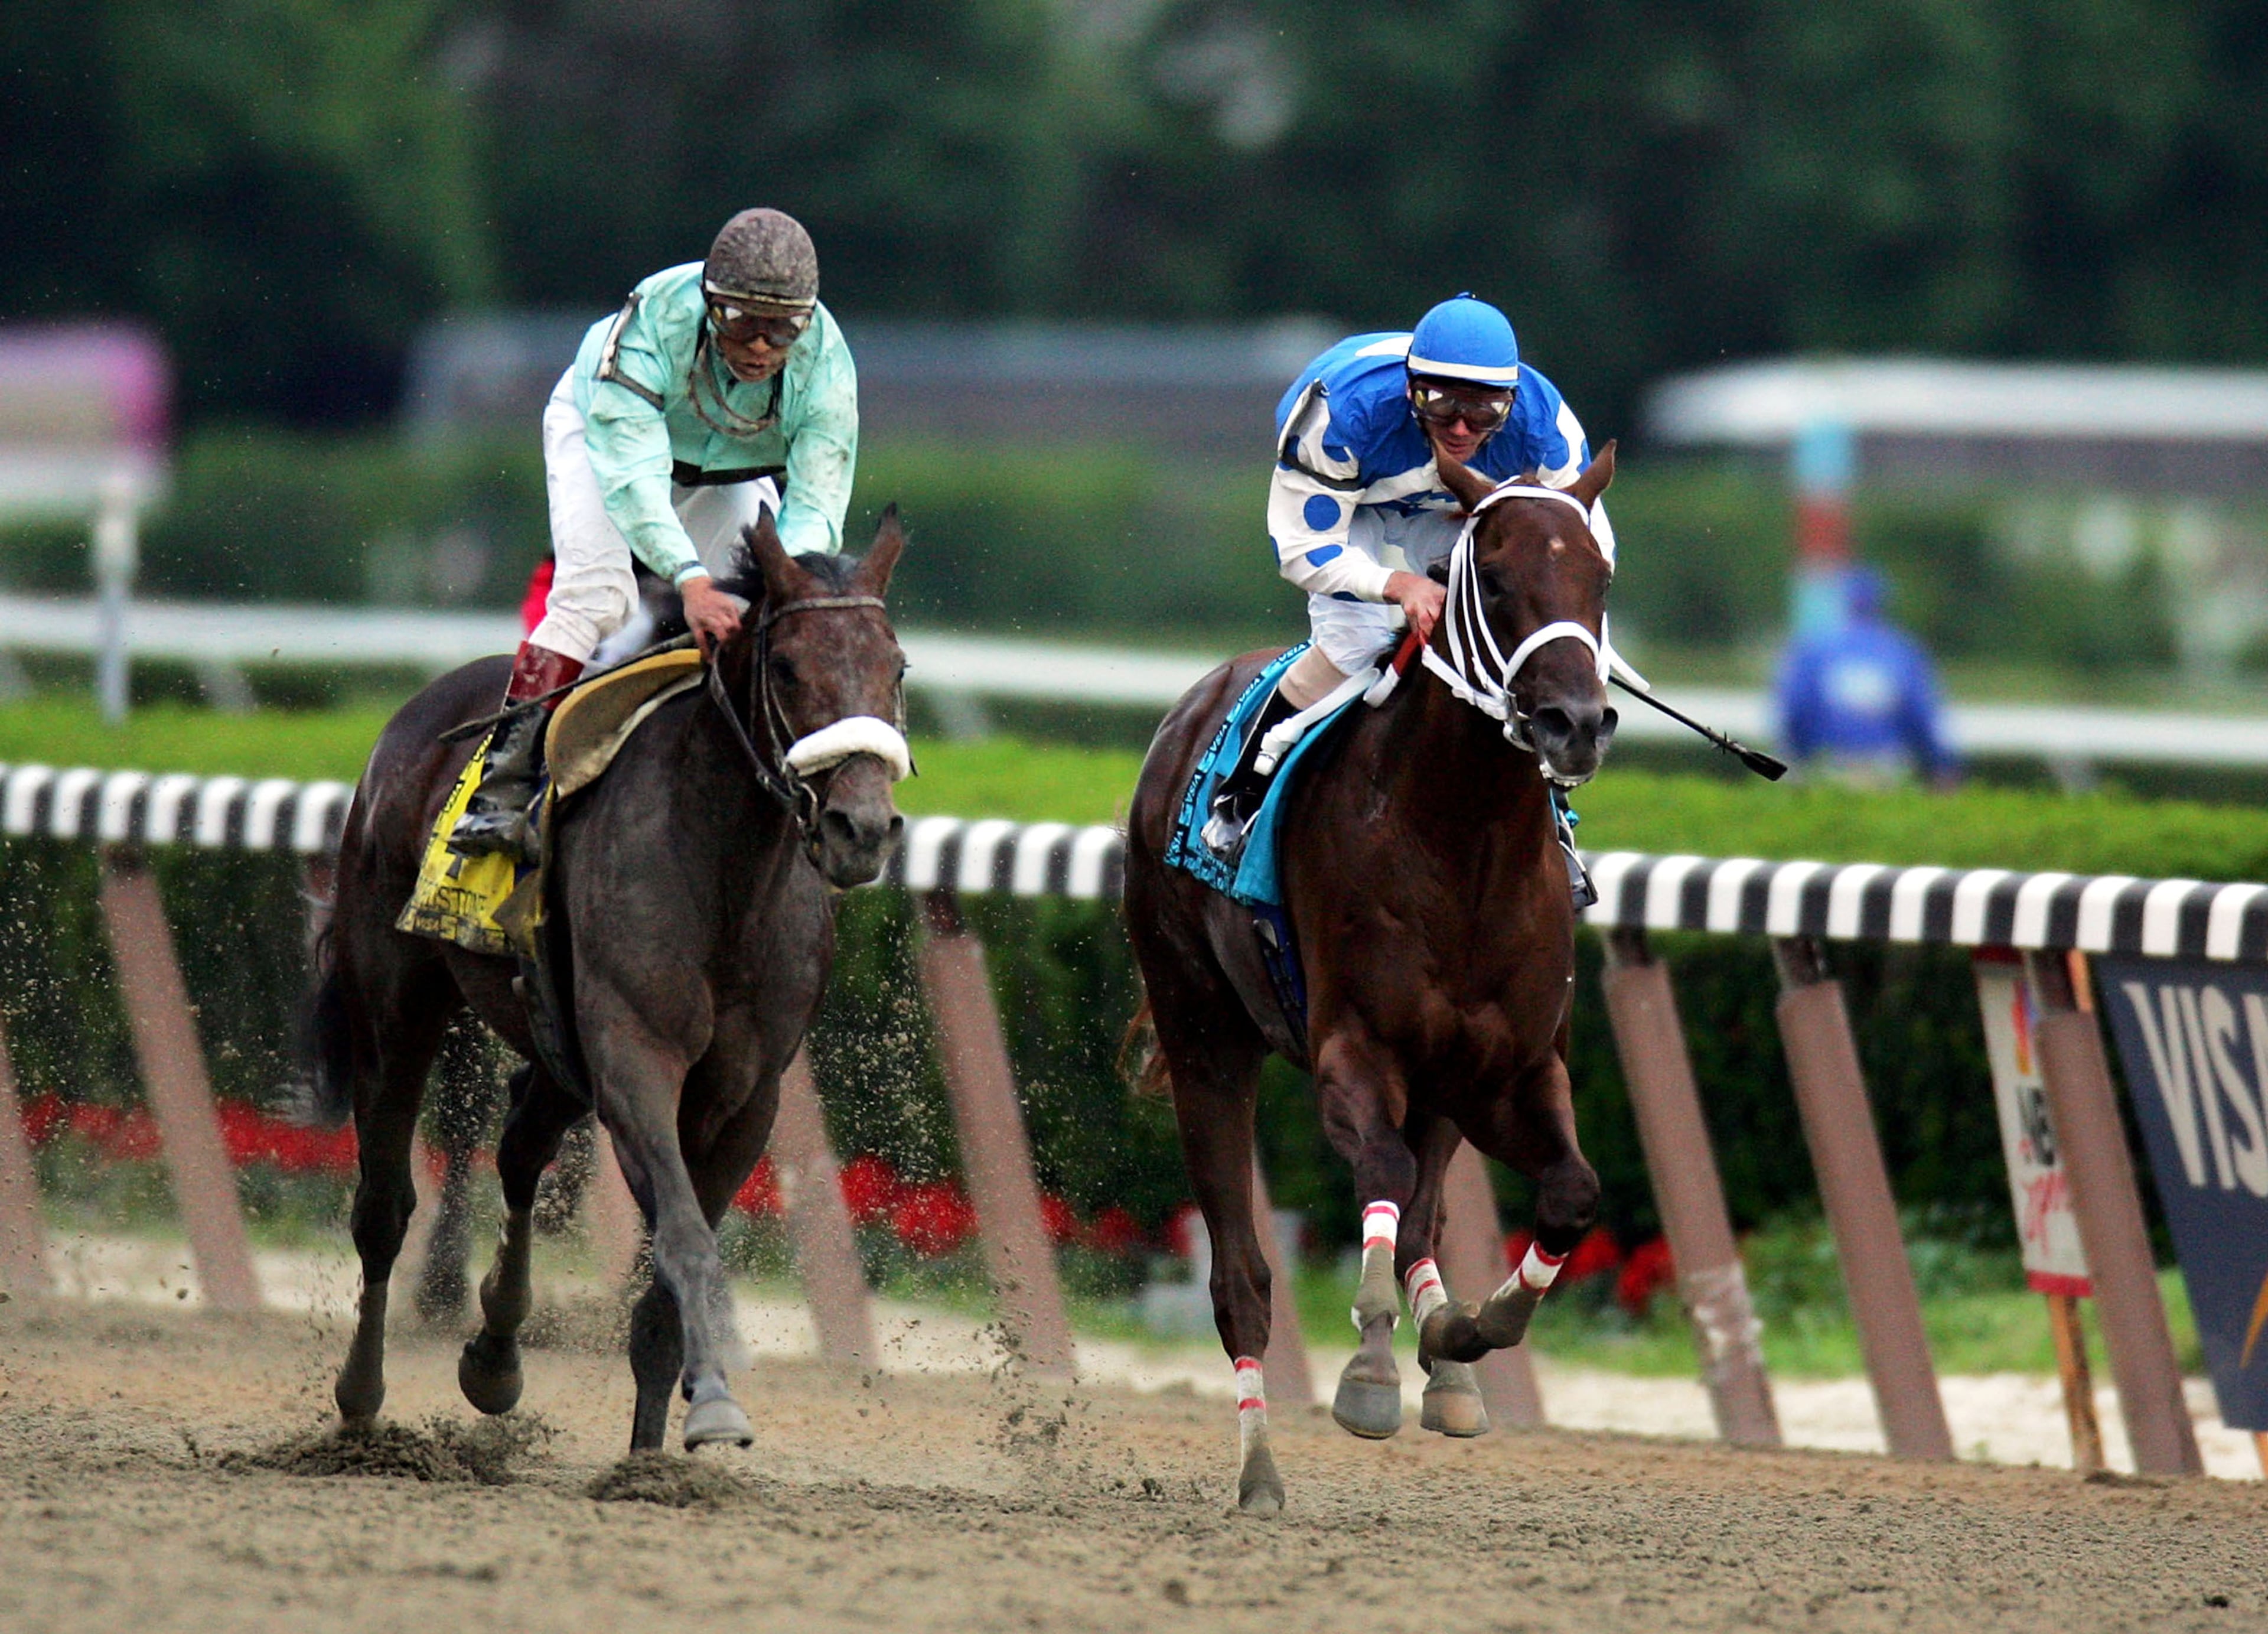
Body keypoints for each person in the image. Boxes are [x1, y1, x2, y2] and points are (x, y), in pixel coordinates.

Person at [449, 207, 859, 857]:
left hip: (727, 461)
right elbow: (636, 479)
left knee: (773, 609)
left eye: (781, 328)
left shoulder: (827, 362)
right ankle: (499, 787)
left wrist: (795, 587)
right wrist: (691, 581)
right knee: (597, 596)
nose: (760, 345)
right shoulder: (655, 323)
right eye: (742, 322)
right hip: (607, 437)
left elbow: (817, 501)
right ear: (708, 305)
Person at [1201, 294, 1617, 854]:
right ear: (1409, 388)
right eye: (1439, 403)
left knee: (1517, 635)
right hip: (1357, 505)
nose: (1463, 428)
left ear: (1512, 403)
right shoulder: (1342, 416)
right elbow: (1303, 550)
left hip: (1459, 507)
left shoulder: (1546, 430)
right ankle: (1247, 785)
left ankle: (1550, 808)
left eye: (1485, 413)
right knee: (1356, 641)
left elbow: (1581, 552)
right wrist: (1399, 585)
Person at [1774, 565, 1956, 786]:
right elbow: (1920, 716)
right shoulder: (1902, 651)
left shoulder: (1815, 649)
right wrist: (1941, 765)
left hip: (1828, 764)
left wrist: (1797, 756)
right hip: (1889, 769)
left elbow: (1796, 708)